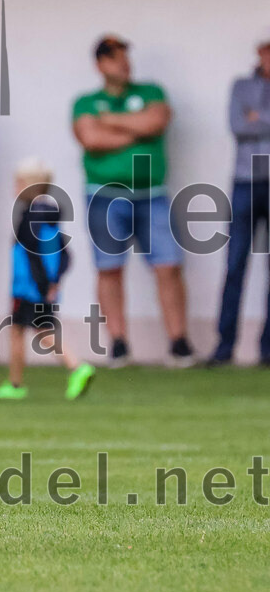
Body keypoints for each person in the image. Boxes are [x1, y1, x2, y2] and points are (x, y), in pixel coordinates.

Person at [72, 35, 193, 367]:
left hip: (151, 195)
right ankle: (119, 342)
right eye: (114, 58)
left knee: (168, 266)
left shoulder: (150, 92)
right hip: (104, 197)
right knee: (109, 269)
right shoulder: (86, 101)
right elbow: (91, 138)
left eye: (125, 56)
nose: (123, 63)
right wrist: (135, 131)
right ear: (100, 65)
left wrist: (110, 120)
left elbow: (155, 121)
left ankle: (179, 342)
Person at [0, 158, 96, 399]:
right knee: (25, 329)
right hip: (42, 287)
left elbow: (32, 255)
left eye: (18, 182)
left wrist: (41, 286)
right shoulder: (49, 218)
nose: (14, 187)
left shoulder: (29, 219)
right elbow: (66, 254)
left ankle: (75, 367)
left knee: (38, 332)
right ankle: (16, 383)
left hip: (28, 288)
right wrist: (55, 281)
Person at [209, 33, 270, 366]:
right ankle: (224, 346)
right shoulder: (241, 87)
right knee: (235, 265)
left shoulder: (251, 102)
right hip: (246, 182)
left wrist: (256, 118)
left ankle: (268, 349)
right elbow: (236, 124)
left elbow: (250, 122)